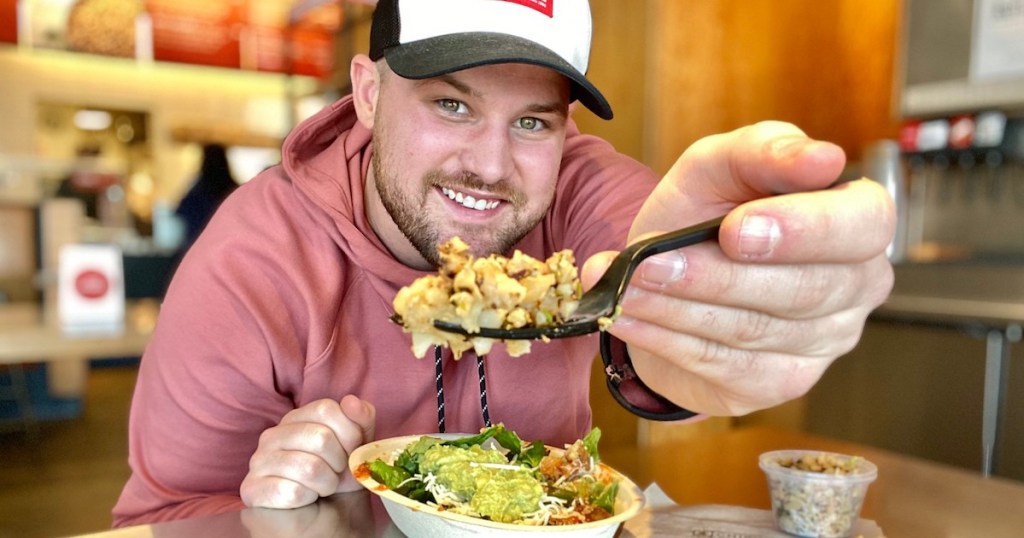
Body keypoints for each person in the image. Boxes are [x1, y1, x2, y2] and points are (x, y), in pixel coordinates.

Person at [112, 0, 895, 526]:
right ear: (369, 95)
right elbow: (157, 517)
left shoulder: (577, 186)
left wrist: (706, 321)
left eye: (531, 120)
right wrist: (272, 513)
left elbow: (647, 255)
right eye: (451, 105)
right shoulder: (249, 262)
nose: (489, 166)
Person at [174, 143, 239, 249]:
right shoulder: (234, 191)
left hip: (199, 249)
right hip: (228, 250)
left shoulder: (196, 192)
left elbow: (180, 212)